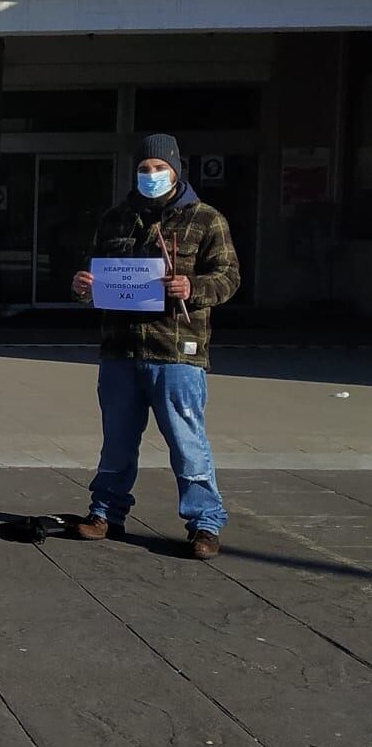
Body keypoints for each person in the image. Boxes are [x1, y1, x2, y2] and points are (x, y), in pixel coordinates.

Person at [71, 134, 240, 559]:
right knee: (117, 440)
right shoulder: (116, 219)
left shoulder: (206, 219)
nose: (151, 175)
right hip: (120, 350)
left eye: (158, 168)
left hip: (176, 350)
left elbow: (229, 276)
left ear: (176, 170)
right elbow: (95, 271)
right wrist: (82, 287)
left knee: (187, 441)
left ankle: (204, 523)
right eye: (144, 168)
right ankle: (105, 512)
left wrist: (193, 286)